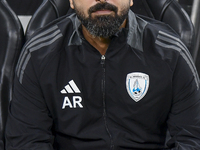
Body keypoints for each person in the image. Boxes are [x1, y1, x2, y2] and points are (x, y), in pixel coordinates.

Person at [5, 0, 200, 149]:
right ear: (71, 1)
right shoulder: (39, 54)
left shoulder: (171, 53)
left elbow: (192, 137)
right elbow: (27, 140)